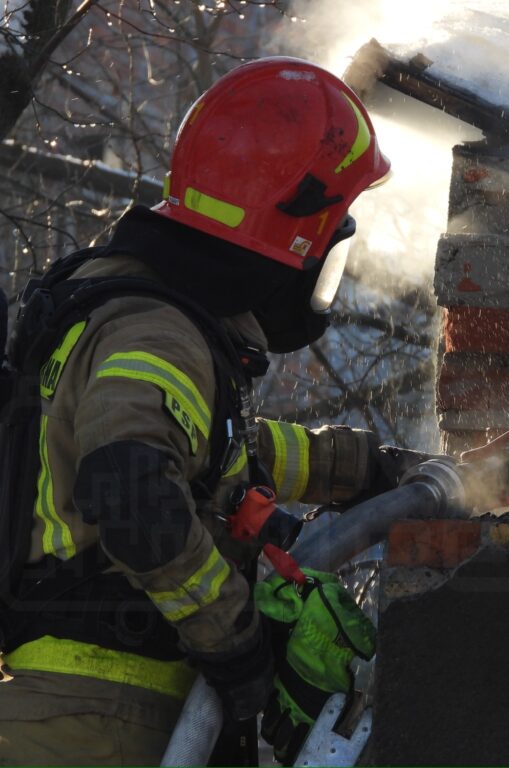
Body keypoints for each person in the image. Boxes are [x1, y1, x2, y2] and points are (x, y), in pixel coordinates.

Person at [0, 56, 401, 765]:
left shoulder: (144, 312)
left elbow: (210, 447)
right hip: (107, 732)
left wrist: (373, 470)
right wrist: (234, 638)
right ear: (293, 237)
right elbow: (130, 487)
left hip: (91, 722)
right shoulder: (158, 333)